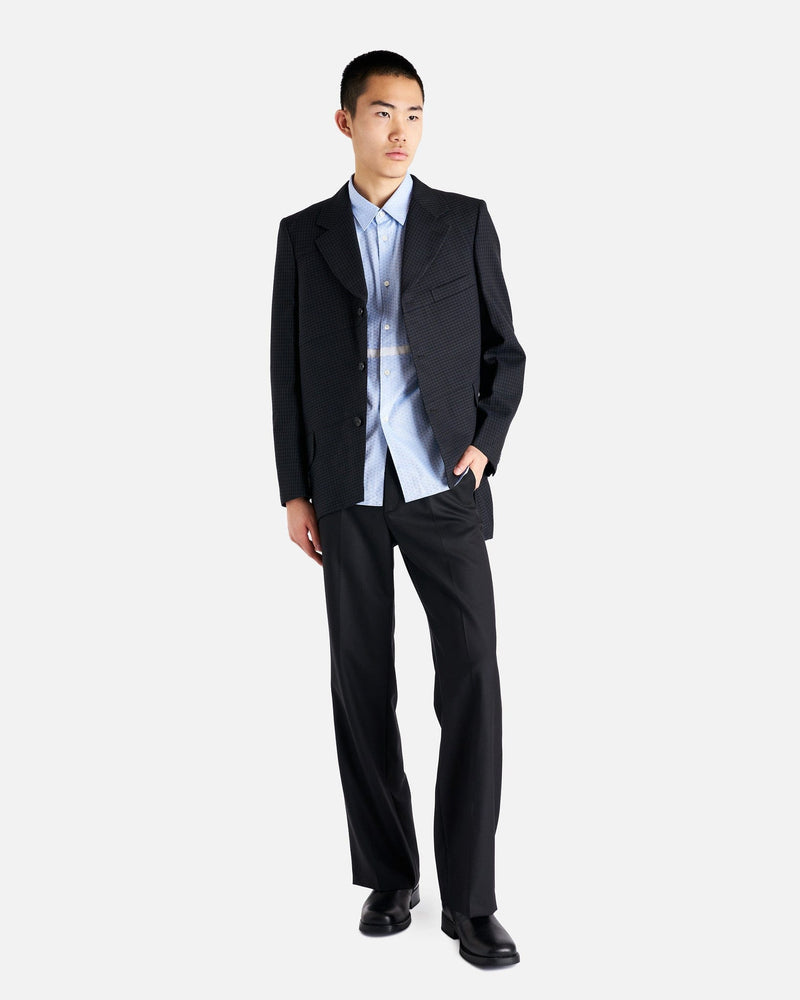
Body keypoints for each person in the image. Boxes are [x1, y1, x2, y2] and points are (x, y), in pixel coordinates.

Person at [270, 50, 525, 968]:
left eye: (414, 114)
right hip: (347, 488)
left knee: (473, 678)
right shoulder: (304, 236)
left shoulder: (462, 222)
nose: (401, 131)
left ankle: (473, 900)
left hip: (442, 485)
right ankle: (389, 875)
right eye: (383, 113)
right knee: (360, 680)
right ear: (347, 122)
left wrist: (483, 445)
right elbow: (285, 370)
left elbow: (506, 351)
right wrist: (294, 488)